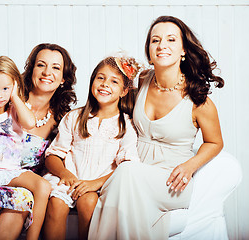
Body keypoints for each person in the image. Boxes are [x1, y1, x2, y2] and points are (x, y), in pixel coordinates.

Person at [88, 15, 224, 240]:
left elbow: (215, 142)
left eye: (171, 40)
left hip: (170, 180)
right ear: (149, 50)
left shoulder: (199, 100)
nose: (162, 45)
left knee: (126, 173)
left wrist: (190, 166)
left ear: (183, 50)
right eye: (155, 40)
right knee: (126, 175)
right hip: (132, 170)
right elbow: (110, 91)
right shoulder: (142, 80)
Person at [0, 43, 77, 240]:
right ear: (30, 70)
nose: (47, 72)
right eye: (40, 65)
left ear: (64, 78)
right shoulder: (3, 97)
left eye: (56, 67)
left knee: (20, 203)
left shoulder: (64, 119)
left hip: (19, 182)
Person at [42, 54, 141, 240]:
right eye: (100, 78)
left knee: (89, 202)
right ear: (92, 81)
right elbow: (53, 155)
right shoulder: (75, 117)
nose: (105, 84)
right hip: (69, 182)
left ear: (124, 91)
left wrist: (94, 184)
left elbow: (127, 167)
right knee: (56, 203)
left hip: (100, 185)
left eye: (114, 81)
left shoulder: (126, 125)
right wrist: (66, 174)